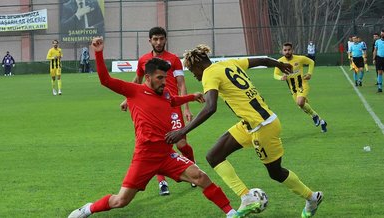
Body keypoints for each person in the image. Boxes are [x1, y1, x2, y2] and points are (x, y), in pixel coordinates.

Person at [68, 37, 240, 218]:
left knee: (201, 177)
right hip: (145, 156)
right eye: (160, 78)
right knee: (121, 201)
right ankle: (88, 209)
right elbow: (105, 80)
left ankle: (231, 213)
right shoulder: (133, 91)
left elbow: (172, 100)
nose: (164, 82)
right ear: (148, 77)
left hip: (166, 154)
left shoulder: (164, 92)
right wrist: (99, 52)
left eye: (165, 77)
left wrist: (190, 97)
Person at [165, 44, 323, 218]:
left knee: (276, 172)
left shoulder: (209, 73)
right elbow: (262, 60)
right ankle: (246, 197)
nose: (194, 75)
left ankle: (312, 197)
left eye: (192, 71)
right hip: (250, 123)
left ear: (198, 65)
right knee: (214, 156)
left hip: (263, 126)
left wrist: (183, 131)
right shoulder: (229, 63)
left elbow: (210, 107)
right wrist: (278, 64)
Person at [120, 26, 197, 195]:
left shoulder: (173, 59)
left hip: (172, 107)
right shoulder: (143, 60)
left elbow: (181, 83)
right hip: (153, 108)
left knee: (181, 144)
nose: (159, 42)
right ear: (150, 41)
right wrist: (128, 98)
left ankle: (193, 166)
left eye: (161, 39)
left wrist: (186, 108)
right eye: (155, 39)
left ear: (165, 40)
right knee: (158, 145)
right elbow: (137, 80)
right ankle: (162, 182)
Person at [274, 42, 327, 133]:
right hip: (293, 89)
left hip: (302, 84)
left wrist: (309, 74)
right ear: (282, 51)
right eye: (285, 50)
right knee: (302, 106)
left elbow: (311, 62)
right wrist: (280, 77)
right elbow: (275, 74)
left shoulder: (299, 58)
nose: (287, 52)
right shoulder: (280, 62)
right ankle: (321, 121)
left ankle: (315, 117)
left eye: (289, 50)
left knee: (300, 102)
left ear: (292, 50)